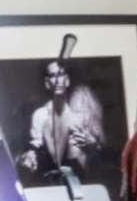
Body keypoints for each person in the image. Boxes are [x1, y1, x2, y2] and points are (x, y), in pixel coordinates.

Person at [18, 38, 109, 191]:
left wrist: (90, 143)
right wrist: (28, 156)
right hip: (51, 182)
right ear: (47, 83)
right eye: (53, 76)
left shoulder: (80, 112)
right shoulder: (40, 115)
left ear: (67, 80)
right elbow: (35, 146)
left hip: (83, 182)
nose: (58, 80)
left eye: (61, 75)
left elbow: (101, 151)